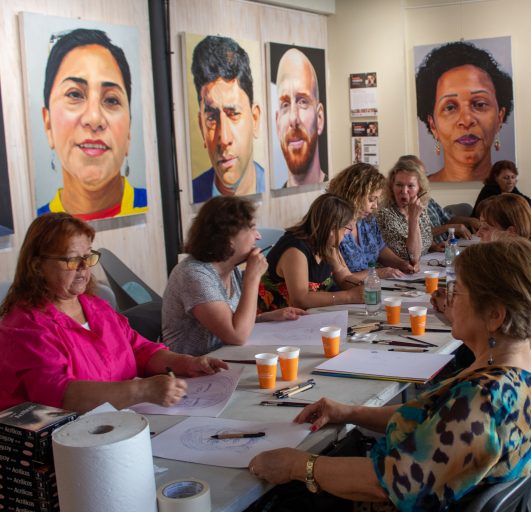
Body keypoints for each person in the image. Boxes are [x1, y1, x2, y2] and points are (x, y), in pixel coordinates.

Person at [249, 239, 531, 510]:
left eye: (457, 292)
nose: (448, 299)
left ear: (495, 315)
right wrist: (350, 412)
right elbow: (430, 418)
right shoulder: (525, 370)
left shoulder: (482, 400)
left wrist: (298, 465)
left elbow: (386, 484)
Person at [0, 213, 227, 413]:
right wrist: (142, 390)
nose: (84, 267)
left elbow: (139, 350)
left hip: (120, 423)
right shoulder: (24, 327)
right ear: (37, 266)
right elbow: (60, 396)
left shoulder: (96, 307)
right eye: (72, 259)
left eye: (87, 256)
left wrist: (186, 363)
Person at [436, 193, 531, 393]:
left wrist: (452, 311)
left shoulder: (517, 268)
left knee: (461, 353)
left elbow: (493, 321)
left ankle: (446, 396)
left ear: (511, 232)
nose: (479, 233)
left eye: (486, 227)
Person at [162, 197, 304, 356]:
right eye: (252, 229)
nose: (258, 236)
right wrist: (252, 277)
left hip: (224, 358)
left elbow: (230, 321)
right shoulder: (193, 275)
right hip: (196, 366)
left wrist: (265, 318)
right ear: (228, 237)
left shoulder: (229, 268)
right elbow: (237, 336)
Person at [38, 28, 147, 220]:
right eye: (74, 94)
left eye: (111, 100)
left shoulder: (155, 207)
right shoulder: (38, 226)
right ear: (48, 124)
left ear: (129, 130)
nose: (94, 118)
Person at [416, 41, 513, 182]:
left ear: (500, 117)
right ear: (433, 125)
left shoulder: (512, 190)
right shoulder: (418, 192)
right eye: (450, 107)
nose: (466, 120)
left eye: (479, 104)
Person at [190, 36, 265, 203]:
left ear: (255, 119)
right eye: (212, 118)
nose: (224, 139)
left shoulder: (274, 184)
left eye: (234, 114)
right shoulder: (193, 193)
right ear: (202, 128)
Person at [260, 194, 364, 310]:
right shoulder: (295, 250)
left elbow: (344, 277)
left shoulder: (327, 244)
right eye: (346, 229)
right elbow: (300, 299)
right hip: (275, 317)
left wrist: (365, 287)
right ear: (332, 228)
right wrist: (349, 296)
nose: (346, 235)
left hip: (310, 314)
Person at [327, 163, 416, 279]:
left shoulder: (367, 219)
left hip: (369, 285)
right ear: (354, 195)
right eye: (371, 199)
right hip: (345, 288)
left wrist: (402, 264)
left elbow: (380, 249)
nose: (375, 206)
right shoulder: (333, 226)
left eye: (377, 200)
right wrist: (377, 273)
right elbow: (342, 279)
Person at [395, 155, 479, 246]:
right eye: (421, 175)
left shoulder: (429, 200)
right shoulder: (401, 204)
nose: (425, 179)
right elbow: (413, 234)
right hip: (428, 251)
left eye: (424, 174)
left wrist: (468, 220)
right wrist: (448, 228)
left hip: (445, 247)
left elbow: (448, 220)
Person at [275, 48, 326, 187]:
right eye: (285, 104)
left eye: (303, 102)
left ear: (319, 118)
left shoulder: (335, 195)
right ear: (277, 125)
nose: (293, 119)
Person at [376, 156, 434, 261]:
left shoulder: (420, 209)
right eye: (399, 185)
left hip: (422, 265)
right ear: (391, 186)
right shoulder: (384, 214)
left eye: (410, 186)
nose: (404, 191)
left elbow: (425, 242)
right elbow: (410, 256)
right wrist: (413, 219)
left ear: (420, 188)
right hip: (396, 269)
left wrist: (435, 246)